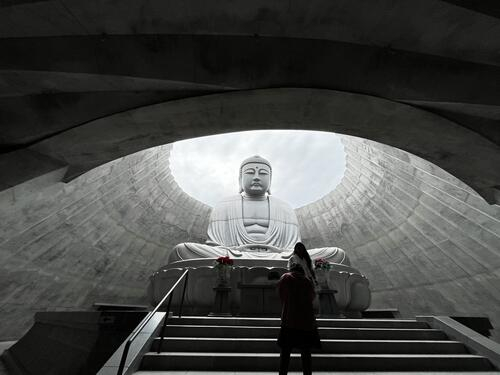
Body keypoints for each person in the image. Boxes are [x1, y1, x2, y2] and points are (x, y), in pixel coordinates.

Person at [169, 155, 349, 265]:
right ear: (240, 179)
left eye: (262, 173)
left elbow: (293, 248)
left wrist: (281, 253)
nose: (256, 177)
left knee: (336, 254)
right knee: (182, 250)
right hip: (233, 255)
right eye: (250, 173)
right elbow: (216, 245)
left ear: (270, 180)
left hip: (280, 257)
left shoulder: (284, 207)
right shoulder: (224, 205)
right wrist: (234, 251)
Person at [277, 262, 321, 375]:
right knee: (306, 353)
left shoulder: (286, 277)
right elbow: (312, 297)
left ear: (291, 269)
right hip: (306, 322)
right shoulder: (307, 281)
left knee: (285, 352)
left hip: (289, 320)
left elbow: (281, 295)